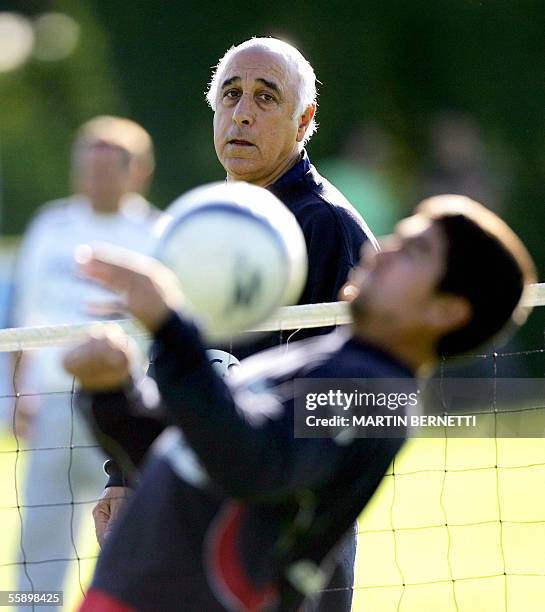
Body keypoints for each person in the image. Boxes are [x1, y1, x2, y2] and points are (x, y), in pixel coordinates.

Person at [64, 194, 535, 611]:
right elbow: (188, 451)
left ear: (445, 310)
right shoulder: (335, 361)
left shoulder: (376, 395)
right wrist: (111, 391)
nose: (383, 249)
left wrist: (170, 327)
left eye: (415, 251)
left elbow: (253, 461)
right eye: (397, 236)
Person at [97, 37, 377, 611]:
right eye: (231, 95)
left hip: (283, 529)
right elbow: (170, 361)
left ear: (305, 121)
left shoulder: (325, 226)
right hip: (190, 507)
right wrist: (124, 473)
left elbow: (346, 402)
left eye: (266, 97)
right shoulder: (202, 221)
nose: (243, 112)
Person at [9, 116, 161, 604]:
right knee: (39, 545)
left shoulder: (159, 233)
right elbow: (23, 318)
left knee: (124, 536)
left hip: (123, 410)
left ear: (137, 171)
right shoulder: (50, 225)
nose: (93, 179)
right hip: (52, 406)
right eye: (86, 168)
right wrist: (19, 393)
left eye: (105, 168)